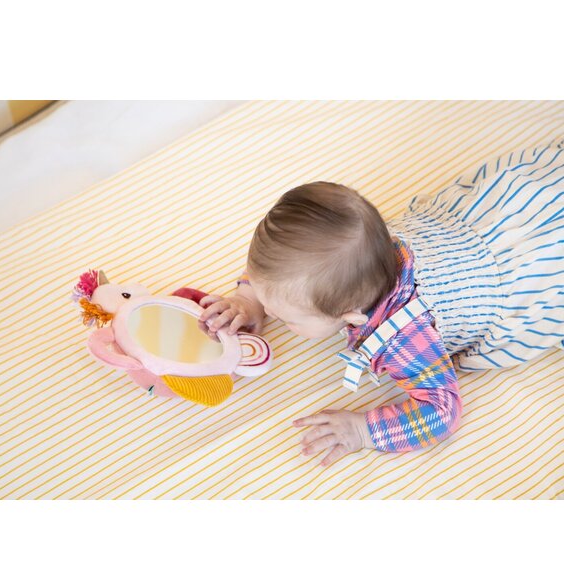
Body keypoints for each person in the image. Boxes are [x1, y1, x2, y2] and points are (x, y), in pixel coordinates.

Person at [197, 138, 564, 466]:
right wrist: (247, 299)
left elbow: (442, 412)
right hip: (495, 222)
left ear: (350, 316)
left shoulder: (404, 338)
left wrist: (363, 430)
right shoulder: (360, 247)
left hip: (532, 268)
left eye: (286, 317)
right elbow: (278, 270)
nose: (270, 312)